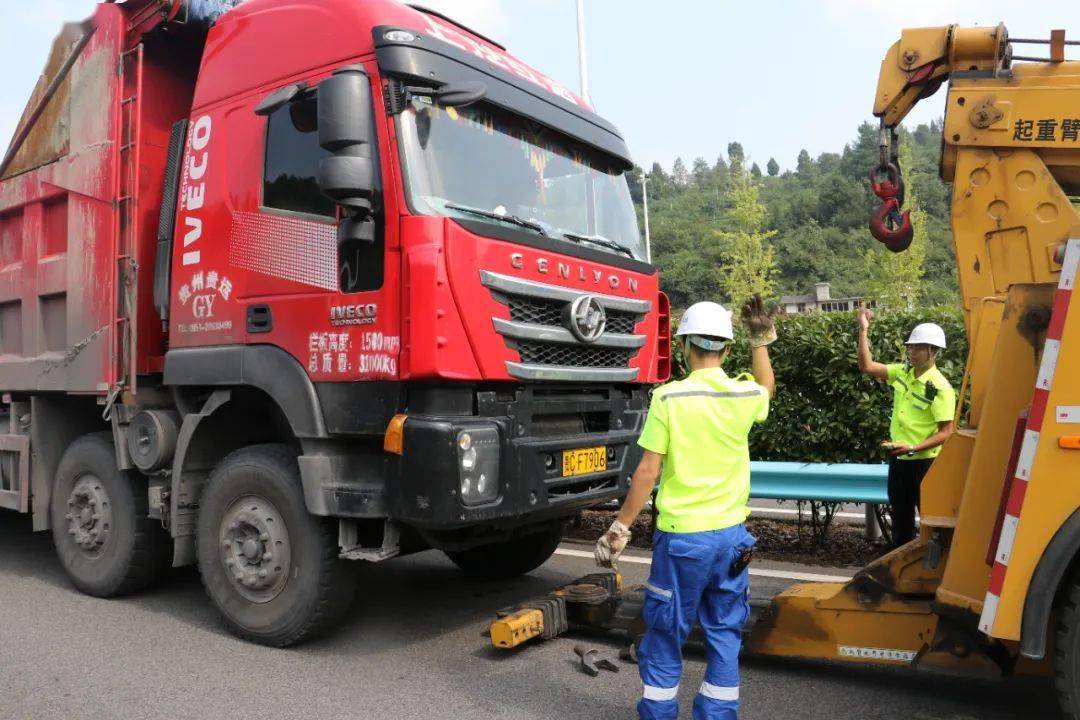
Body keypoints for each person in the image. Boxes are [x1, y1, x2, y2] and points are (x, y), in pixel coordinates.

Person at [595, 295, 776, 720]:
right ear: (727, 349)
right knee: (725, 631)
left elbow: (647, 472)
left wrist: (620, 527)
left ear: (684, 347)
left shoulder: (669, 399)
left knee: (664, 632)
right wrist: (761, 339)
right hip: (732, 539)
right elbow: (766, 387)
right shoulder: (742, 395)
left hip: (684, 542)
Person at [856, 304, 956, 546]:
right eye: (910, 346)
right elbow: (867, 366)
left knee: (931, 524)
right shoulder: (902, 372)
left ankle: (930, 574)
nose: (911, 351)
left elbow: (947, 432)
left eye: (917, 347)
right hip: (898, 461)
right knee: (900, 524)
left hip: (925, 464)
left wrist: (913, 447)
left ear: (933, 351)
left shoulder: (941, 387)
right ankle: (902, 576)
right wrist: (862, 331)